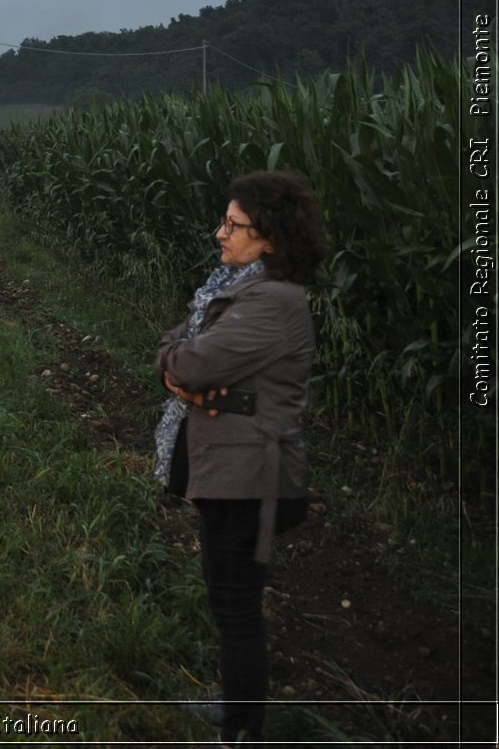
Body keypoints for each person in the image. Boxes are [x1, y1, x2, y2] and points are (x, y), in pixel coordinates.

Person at [155, 171, 327, 748]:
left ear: (270, 238)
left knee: (237, 608)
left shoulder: (271, 303)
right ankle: (236, 712)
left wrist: (186, 371)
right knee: (228, 601)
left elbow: (192, 366)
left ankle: (243, 731)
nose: (219, 233)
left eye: (234, 225)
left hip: (249, 476)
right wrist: (181, 365)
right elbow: (173, 348)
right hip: (231, 468)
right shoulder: (230, 290)